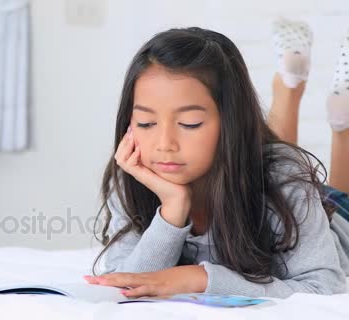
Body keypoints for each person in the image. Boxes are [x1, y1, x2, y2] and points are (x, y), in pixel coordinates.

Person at [83, 20, 349, 299]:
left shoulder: (285, 177)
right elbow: (127, 285)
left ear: (231, 122)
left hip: (333, 212)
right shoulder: (131, 175)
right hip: (268, 176)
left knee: (283, 167)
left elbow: (322, 286)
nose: (164, 145)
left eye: (190, 123)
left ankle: (327, 114)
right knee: (275, 161)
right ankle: (296, 89)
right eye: (146, 123)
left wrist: (200, 277)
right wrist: (172, 209)